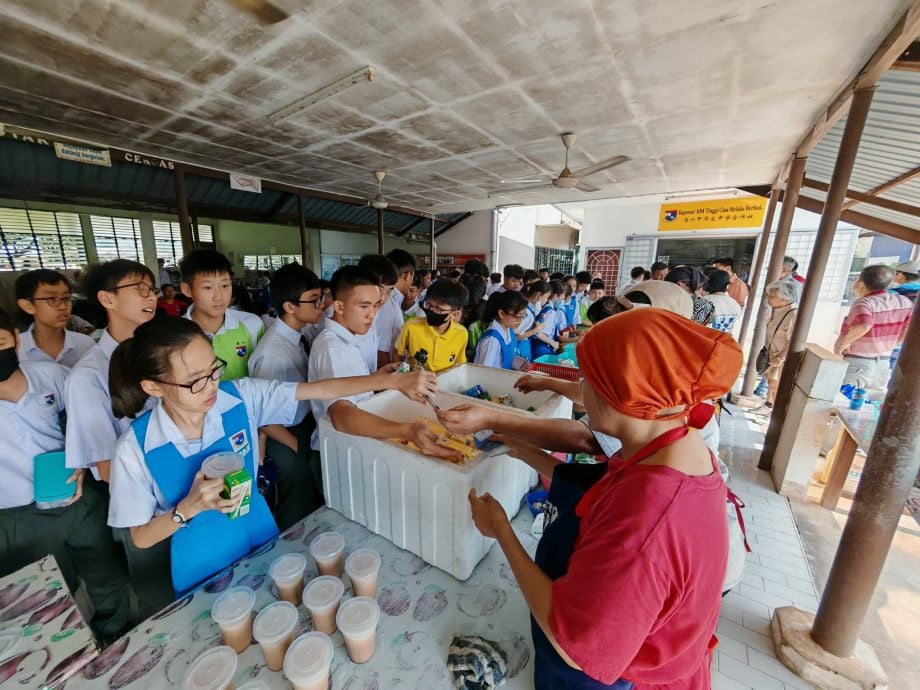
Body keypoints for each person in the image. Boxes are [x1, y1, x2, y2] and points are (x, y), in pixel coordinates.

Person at [461, 309, 741, 689]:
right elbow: (602, 483)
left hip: (618, 678)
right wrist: (516, 446)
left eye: (587, 379)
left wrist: (501, 531)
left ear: (620, 394)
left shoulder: (647, 523)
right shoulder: (676, 446)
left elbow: (575, 647)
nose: (581, 392)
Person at [106, 317, 435, 598]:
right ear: (152, 387)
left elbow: (316, 390)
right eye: (195, 381)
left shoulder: (239, 397)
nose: (210, 386)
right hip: (201, 566)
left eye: (213, 370)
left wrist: (387, 380)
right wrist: (186, 509)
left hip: (261, 538)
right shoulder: (135, 448)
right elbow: (140, 536)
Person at [0, 309, 131, 640]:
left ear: (15, 339)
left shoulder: (51, 377)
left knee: (104, 572)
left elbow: (84, 423)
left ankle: (113, 634)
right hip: (18, 515)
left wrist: (82, 461)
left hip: (78, 497)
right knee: (46, 592)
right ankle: (62, 651)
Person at [307, 266, 455, 460]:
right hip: (340, 451)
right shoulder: (332, 349)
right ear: (339, 307)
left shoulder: (348, 338)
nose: (372, 314)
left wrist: (377, 378)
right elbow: (341, 416)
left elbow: (346, 387)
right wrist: (405, 430)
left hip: (352, 444)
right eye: (364, 306)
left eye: (376, 305)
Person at [65, 260, 159, 484]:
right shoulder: (87, 377)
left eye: (152, 290)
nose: (152, 297)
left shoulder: (160, 352)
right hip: (145, 492)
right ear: (108, 299)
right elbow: (107, 468)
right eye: (141, 289)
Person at [248, 263, 325, 529]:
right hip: (283, 433)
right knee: (297, 495)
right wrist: (294, 445)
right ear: (290, 306)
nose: (321, 306)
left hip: (304, 425)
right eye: (314, 301)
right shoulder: (272, 353)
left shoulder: (301, 334)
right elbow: (261, 414)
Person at [181, 249, 264, 381]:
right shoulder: (177, 334)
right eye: (208, 288)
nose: (219, 296)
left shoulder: (251, 324)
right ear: (187, 290)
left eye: (225, 285)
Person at [834, 265, 912, 392]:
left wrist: (841, 346)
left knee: (843, 401)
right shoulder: (904, 302)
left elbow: (864, 325)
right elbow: (908, 329)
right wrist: (893, 344)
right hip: (883, 364)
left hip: (858, 363)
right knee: (866, 406)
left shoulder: (865, 303)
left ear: (861, 283)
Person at [15, 269, 94, 368]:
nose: (63, 307)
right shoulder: (17, 350)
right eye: (51, 299)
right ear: (28, 306)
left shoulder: (85, 344)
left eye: (66, 298)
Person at [394, 279, 469, 373]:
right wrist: (400, 375)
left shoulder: (461, 334)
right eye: (429, 304)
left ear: (454, 314)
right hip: (415, 382)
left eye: (438, 308)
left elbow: (459, 363)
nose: (432, 310)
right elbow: (398, 352)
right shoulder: (411, 326)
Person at [752, 280, 799, 415]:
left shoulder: (793, 315)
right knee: (770, 381)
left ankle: (778, 413)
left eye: (772, 296)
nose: (768, 299)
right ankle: (768, 405)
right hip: (772, 354)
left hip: (781, 358)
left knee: (777, 385)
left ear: (784, 298)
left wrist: (781, 357)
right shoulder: (777, 311)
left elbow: (793, 341)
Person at [359, 253, 403, 369]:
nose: (383, 298)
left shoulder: (376, 310)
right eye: (379, 289)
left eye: (389, 291)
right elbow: (381, 352)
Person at [474, 290, 528, 369]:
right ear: (502, 313)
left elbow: (506, 358)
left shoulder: (509, 331)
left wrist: (521, 364)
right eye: (517, 317)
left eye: (522, 317)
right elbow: (484, 371)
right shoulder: (492, 340)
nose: (520, 321)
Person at [703, 270, 742, 335]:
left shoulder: (704, 301)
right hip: (725, 342)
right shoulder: (735, 304)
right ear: (727, 285)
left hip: (707, 341)